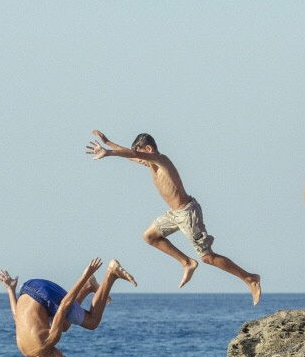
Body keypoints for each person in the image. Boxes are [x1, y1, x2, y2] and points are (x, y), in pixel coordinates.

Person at [86, 130, 262, 304]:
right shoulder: (150, 163)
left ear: (148, 149)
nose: (140, 158)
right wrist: (108, 143)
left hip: (187, 213)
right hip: (174, 214)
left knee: (208, 257)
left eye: (142, 153)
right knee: (150, 236)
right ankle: (187, 263)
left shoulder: (161, 160)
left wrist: (108, 152)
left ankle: (249, 278)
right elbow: (131, 155)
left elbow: (132, 153)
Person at [0, 257, 136, 357]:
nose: (62, 352)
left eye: (64, 356)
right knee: (64, 326)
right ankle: (88, 287)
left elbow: (64, 305)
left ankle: (111, 273)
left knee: (92, 322)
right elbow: (16, 316)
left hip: (44, 293)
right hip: (27, 288)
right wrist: (10, 289)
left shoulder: (49, 341)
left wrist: (85, 274)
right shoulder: (25, 351)